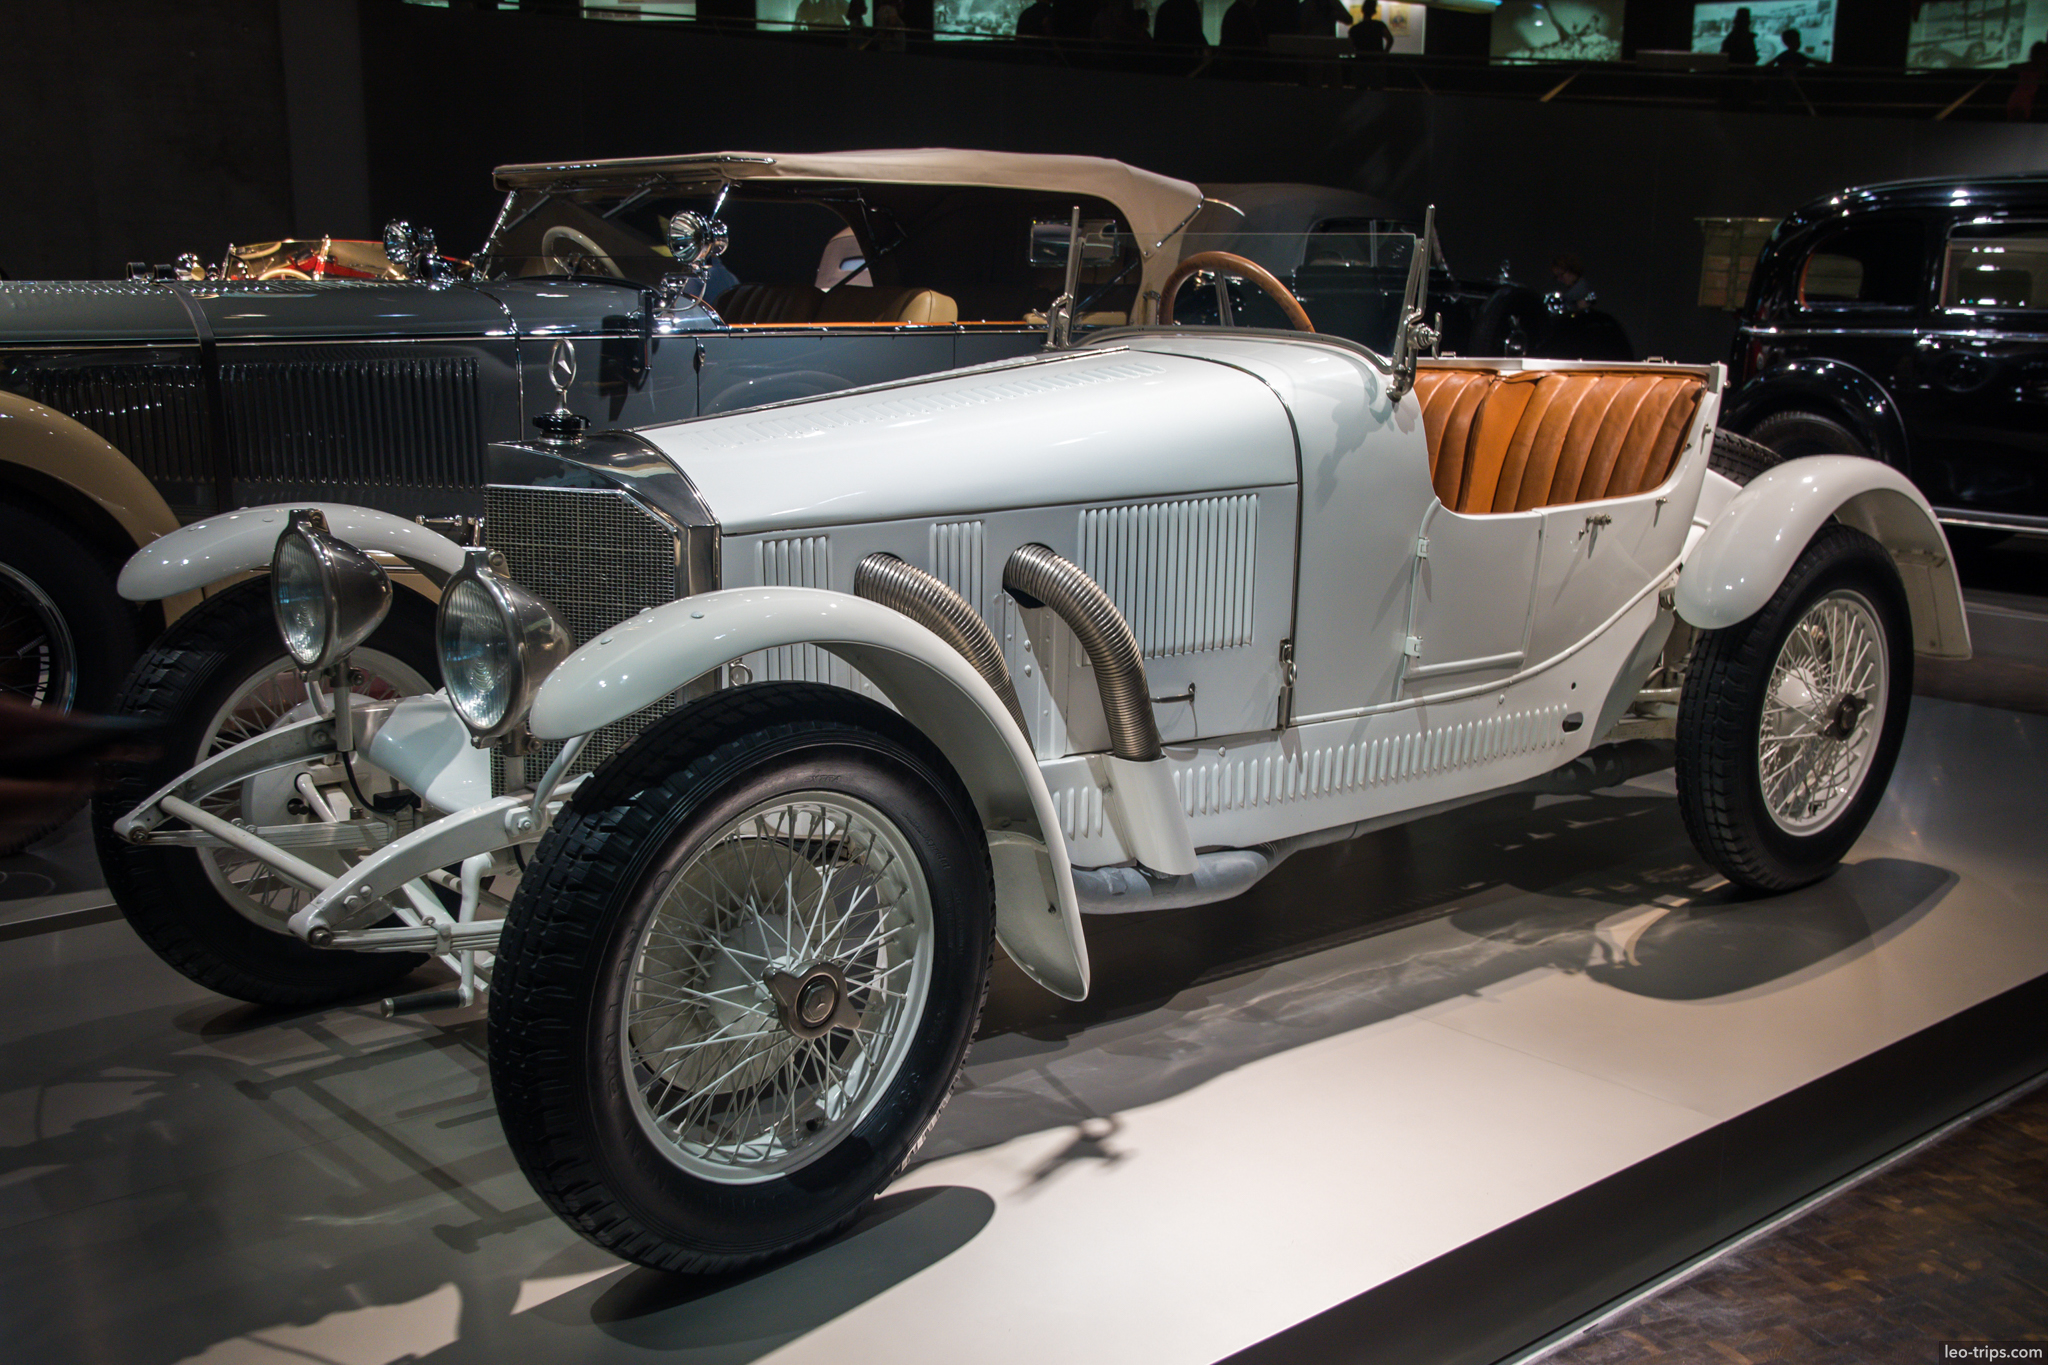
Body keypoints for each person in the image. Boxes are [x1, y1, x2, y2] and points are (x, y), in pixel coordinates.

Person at [2008, 40, 2047, 121]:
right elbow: (2011, 67)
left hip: (2030, 102)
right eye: (2042, 55)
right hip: (2022, 101)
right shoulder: (2029, 67)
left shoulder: (2040, 70)